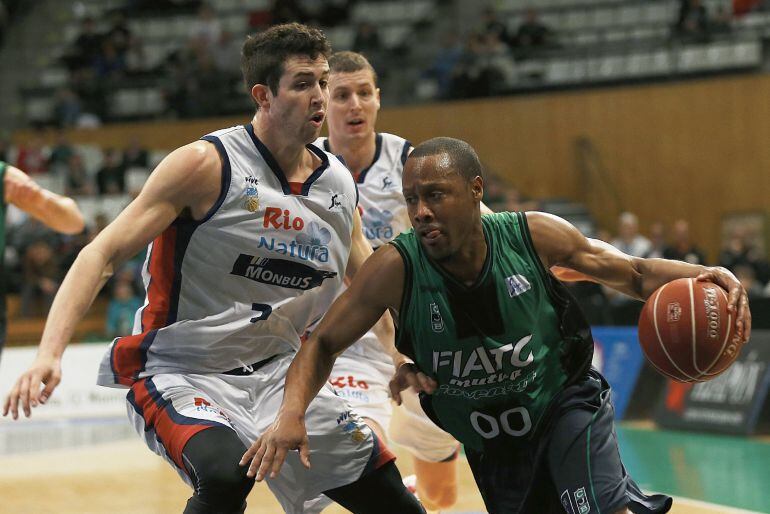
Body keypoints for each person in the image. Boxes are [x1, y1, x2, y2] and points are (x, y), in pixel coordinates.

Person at [3, 23, 424, 514]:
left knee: (390, 497)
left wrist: (399, 357)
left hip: (280, 375)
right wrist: (49, 354)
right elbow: (101, 254)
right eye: (304, 83)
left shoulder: (336, 184)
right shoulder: (205, 165)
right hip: (182, 370)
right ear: (263, 95)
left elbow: (368, 286)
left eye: (323, 82)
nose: (320, 96)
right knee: (225, 478)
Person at [244, 137, 752, 514]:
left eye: (437, 195)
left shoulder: (533, 235)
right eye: (412, 198)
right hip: (493, 444)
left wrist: (709, 274)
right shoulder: (394, 268)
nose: (420, 211)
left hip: (561, 402)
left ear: (476, 191)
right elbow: (324, 342)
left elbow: (635, 273)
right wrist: (292, 413)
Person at [310, 51, 459, 513]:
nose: (354, 104)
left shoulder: (412, 161)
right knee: (355, 465)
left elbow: (478, 225)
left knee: (442, 494)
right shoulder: (303, 166)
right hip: (342, 335)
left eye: (363, 93)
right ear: (323, 104)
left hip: (413, 331)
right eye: (341, 95)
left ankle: (412, 488)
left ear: (378, 99)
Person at [0, 161, 85, 350]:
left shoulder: (6, 178)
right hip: (28, 266)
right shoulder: (22, 229)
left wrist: (40, 199)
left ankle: (49, 329)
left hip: (44, 265)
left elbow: (73, 224)